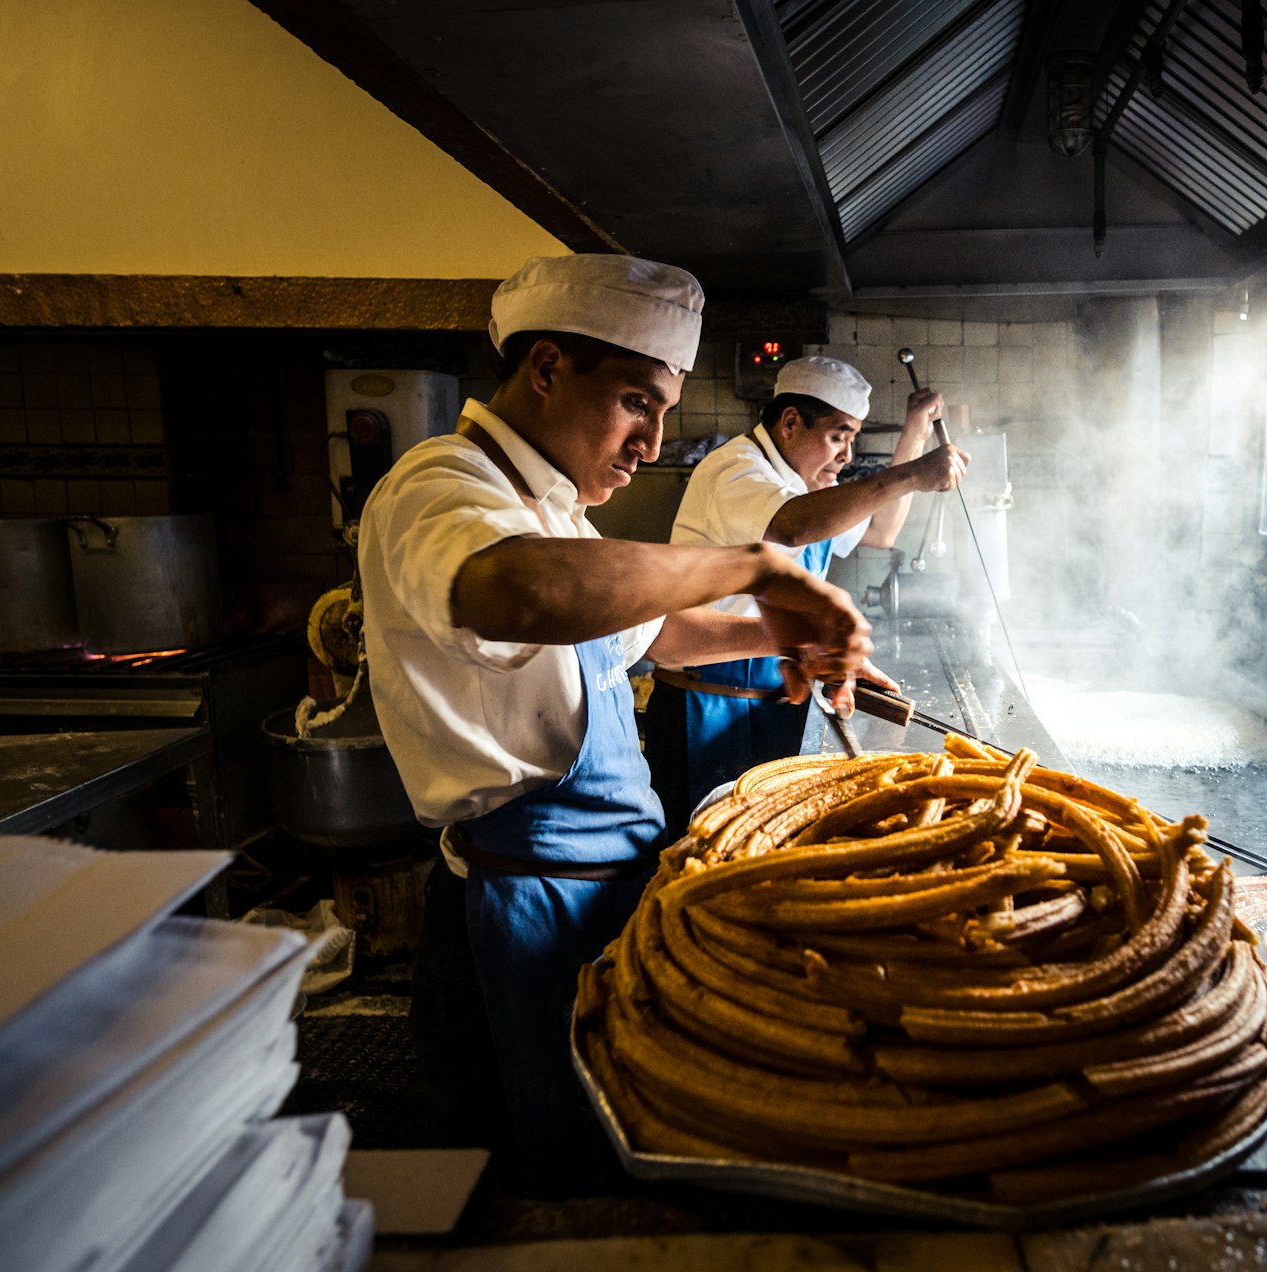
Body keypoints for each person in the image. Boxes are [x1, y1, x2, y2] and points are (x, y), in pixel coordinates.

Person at [359, 254, 871, 1197]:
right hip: (515, 917)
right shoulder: (438, 483)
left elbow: (655, 633)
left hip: (600, 906)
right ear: (547, 369)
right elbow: (521, 589)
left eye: (664, 412)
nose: (650, 440)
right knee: (541, 1197)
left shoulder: (553, 507)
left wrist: (788, 632)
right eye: (638, 402)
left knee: (615, 1167)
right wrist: (758, 565)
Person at [644, 355, 967, 825]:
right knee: (698, 851)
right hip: (704, 707)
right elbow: (793, 526)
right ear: (791, 422)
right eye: (839, 436)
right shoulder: (737, 469)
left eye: (853, 440)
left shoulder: (809, 486)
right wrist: (915, 473)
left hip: (771, 704)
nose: (847, 457)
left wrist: (915, 430)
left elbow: (880, 532)